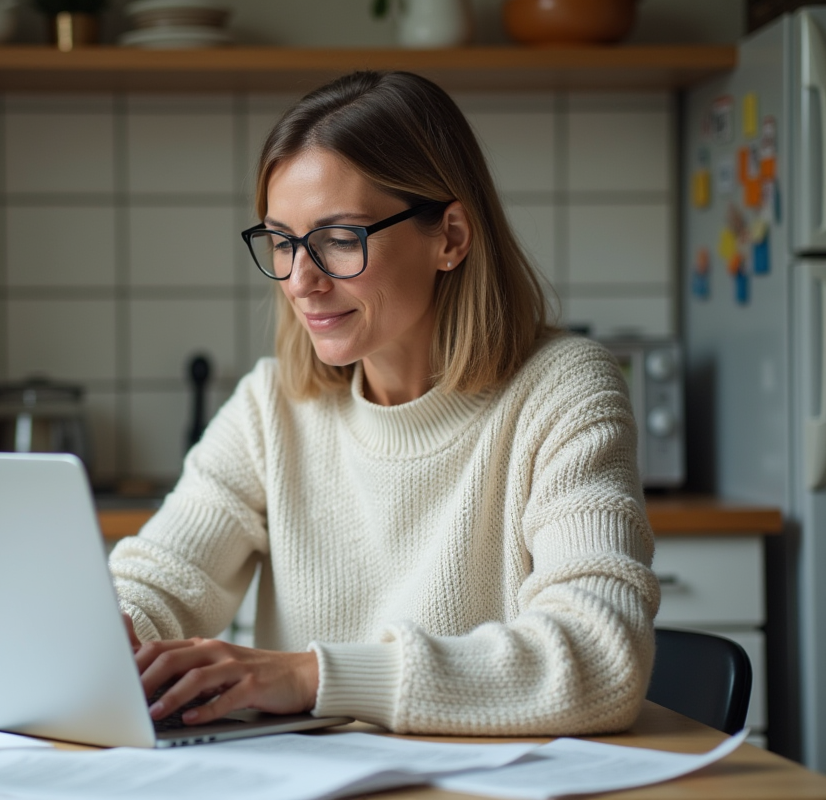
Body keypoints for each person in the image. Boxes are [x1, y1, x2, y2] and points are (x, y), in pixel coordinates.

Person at [109, 70, 659, 737]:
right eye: (282, 243)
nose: (302, 281)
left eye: (339, 239)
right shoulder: (272, 405)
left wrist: (312, 677)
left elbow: (601, 659)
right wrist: (108, 623)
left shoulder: (563, 390)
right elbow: (164, 580)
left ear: (450, 237)